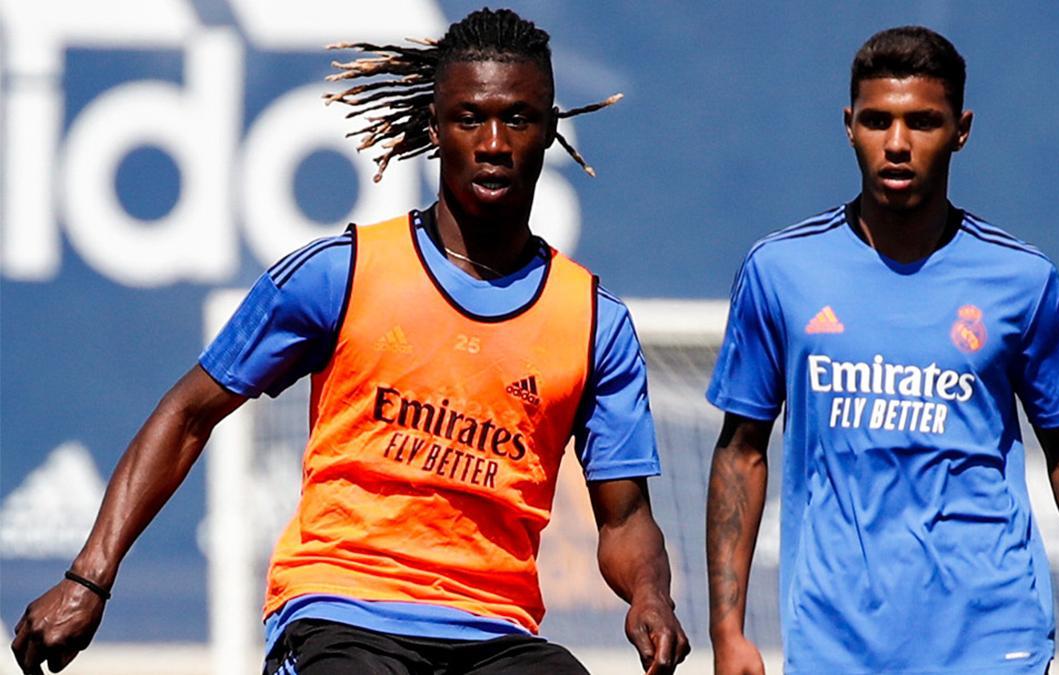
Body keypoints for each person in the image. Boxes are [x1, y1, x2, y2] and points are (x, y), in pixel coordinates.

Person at [12, 8, 689, 674]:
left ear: (547, 130)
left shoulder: (594, 321)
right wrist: (89, 576)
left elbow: (625, 519)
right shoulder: (342, 272)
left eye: (517, 117)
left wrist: (650, 595)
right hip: (342, 613)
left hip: (495, 631)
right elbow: (188, 413)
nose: (493, 142)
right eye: (468, 117)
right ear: (435, 127)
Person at [704, 26, 1059, 675]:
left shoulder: (1021, 281)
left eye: (922, 122)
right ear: (848, 125)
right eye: (877, 121)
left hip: (992, 636)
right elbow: (740, 451)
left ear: (961, 129)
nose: (897, 144)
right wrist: (728, 629)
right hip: (837, 642)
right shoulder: (782, 272)